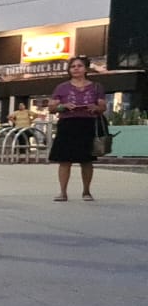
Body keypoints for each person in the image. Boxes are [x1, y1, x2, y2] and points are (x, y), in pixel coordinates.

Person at [48, 55, 105, 201]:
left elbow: (103, 106)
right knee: (64, 160)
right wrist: (63, 106)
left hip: (87, 124)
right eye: (73, 66)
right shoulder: (62, 87)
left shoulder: (96, 86)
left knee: (86, 160)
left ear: (85, 68)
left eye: (79, 66)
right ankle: (63, 192)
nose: (76, 69)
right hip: (67, 124)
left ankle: (86, 191)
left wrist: (95, 107)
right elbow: (52, 107)